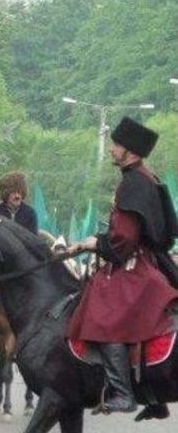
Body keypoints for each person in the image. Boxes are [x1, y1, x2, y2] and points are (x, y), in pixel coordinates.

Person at [67, 117, 178, 414]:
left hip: (134, 264)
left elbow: (124, 238)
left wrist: (95, 243)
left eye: (116, 145)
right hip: (150, 261)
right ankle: (152, 396)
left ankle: (122, 391)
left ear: (130, 151)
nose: (112, 150)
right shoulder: (147, 178)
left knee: (102, 315)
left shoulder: (133, 183)